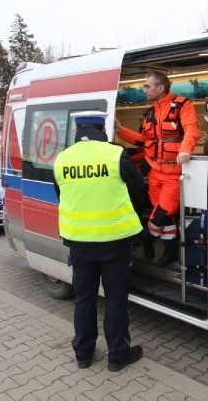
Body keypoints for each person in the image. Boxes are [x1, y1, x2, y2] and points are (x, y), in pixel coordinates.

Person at [53, 111, 145, 372]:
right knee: (115, 299)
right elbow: (138, 185)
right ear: (102, 128)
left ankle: (83, 354)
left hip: (79, 242)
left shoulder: (62, 158)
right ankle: (117, 355)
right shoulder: (114, 154)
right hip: (114, 241)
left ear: (78, 130)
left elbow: (61, 195)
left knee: (84, 298)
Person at [115, 71, 200, 266]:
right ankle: (170, 252)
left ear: (160, 88)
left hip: (173, 175)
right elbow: (144, 141)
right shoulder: (151, 111)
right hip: (154, 173)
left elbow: (191, 129)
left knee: (161, 212)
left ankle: (146, 236)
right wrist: (121, 131)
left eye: (147, 86)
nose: (143, 89)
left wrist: (185, 150)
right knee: (166, 217)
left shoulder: (182, 105)